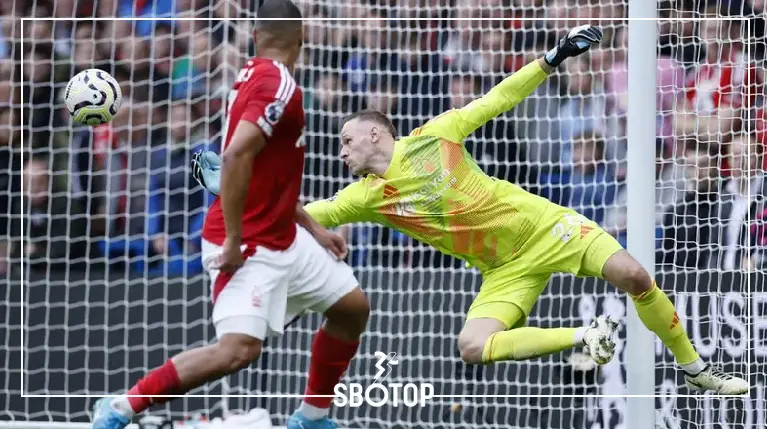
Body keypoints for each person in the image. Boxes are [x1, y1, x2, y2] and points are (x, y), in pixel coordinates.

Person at [193, 26, 748, 395]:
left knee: (633, 274)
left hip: (546, 228)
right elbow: (303, 212)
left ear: (374, 133)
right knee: (472, 347)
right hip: (503, 270)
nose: (341, 153)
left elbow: (498, 98)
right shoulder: (364, 197)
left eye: (345, 141)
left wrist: (550, 59)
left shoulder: (436, 136)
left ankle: (694, 366)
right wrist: (233, 190)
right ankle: (583, 337)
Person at [93, 2, 370, 429]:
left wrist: (314, 228)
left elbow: (262, 173)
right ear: (301, 38)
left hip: (283, 235)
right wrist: (233, 241)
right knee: (237, 351)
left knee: (351, 307)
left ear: (256, 38)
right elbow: (235, 154)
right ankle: (123, 406)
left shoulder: (251, 75)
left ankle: (312, 417)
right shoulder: (279, 85)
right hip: (247, 241)